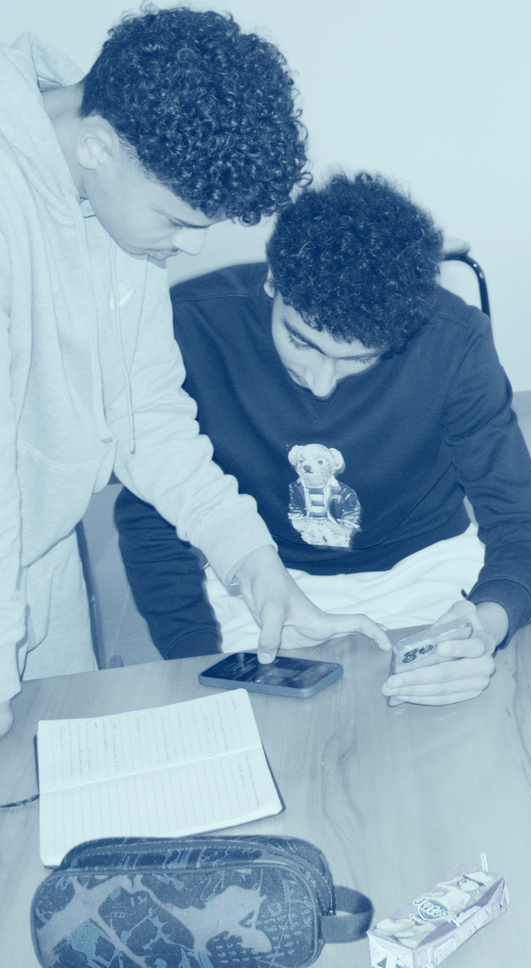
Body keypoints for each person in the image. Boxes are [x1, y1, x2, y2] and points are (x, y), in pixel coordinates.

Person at [1, 7, 389, 739]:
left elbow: (146, 415)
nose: (190, 247)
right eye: (178, 220)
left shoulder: (115, 188)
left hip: (39, 568)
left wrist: (255, 564)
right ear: (96, 146)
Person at [114, 172, 531, 706]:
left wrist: (486, 624)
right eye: (301, 342)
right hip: (254, 574)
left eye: (358, 359)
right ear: (273, 281)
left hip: (421, 572)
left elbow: (522, 526)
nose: (322, 384)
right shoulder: (190, 325)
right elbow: (152, 520)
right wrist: (194, 656)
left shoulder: (454, 340)